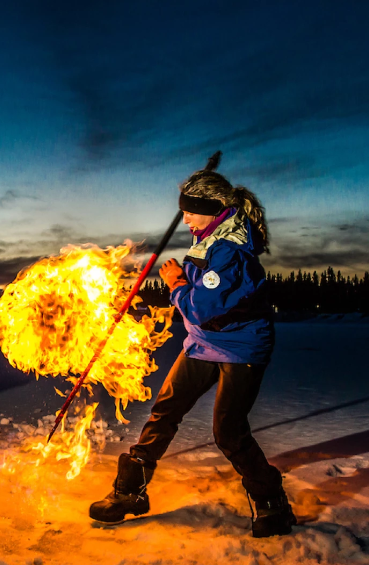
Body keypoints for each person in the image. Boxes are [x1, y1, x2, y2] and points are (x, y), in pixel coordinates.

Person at [89, 152, 296, 538]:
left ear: (212, 209)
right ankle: (130, 492)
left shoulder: (231, 251)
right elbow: (203, 302)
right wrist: (185, 280)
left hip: (241, 348)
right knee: (164, 411)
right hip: (203, 344)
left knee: (228, 431)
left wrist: (175, 283)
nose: (184, 219)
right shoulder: (210, 238)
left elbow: (201, 307)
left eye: (189, 211)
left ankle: (272, 503)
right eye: (181, 212)